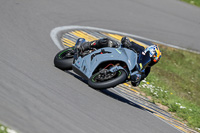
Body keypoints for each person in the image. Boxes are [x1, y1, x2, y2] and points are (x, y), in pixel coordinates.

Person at [75, 37, 161, 86]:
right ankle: (86, 45)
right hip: (119, 53)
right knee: (109, 42)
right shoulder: (140, 49)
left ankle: (106, 76)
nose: (151, 63)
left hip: (125, 69)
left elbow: (136, 83)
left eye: (153, 62)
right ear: (148, 52)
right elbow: (127, 41)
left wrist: (136, 80)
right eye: (151, 59)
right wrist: (126, 42)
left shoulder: (146, 70)